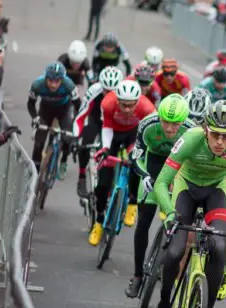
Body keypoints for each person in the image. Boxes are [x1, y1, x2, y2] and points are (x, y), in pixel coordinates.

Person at [152, 101, 226, 308]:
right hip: (185, 188)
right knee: (176, 251)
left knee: (219, 247)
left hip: (216, 191)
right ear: (205, 130)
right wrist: (169, 213)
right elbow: (161, 181)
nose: (219, 142)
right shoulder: (190, 139)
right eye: (215, 135)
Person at [124, 95, 195, 298]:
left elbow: (193, 164)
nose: (170, 129)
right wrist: (144, 175)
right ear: (159, 116)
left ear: (183, 121)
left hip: (177, 167)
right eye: (165, 122)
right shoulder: (147, 124)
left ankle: (169, 268)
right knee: (143, 222)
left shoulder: (191, 130)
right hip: (153, 163)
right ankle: (137, 276)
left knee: (178, 221)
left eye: (175, 124)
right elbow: (136, 155)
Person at [88, 80, 156, 246]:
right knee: (103, 182)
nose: (127, 109)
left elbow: (148, 134)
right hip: (113, 135)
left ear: (137, 102)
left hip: (134, 135)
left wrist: (140, 154)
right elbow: (107, 128)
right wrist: (105, 149)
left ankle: (132, 202)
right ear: (117, 100)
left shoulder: (147, 108)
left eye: (131, 106)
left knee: (135, 166)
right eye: (124, 105)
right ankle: (99, 221)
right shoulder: (108, 103)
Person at [73, 67, 123, 197]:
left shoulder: (124, 94)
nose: (109, 95)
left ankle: (108, 185)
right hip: (96, 119)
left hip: (113, 122)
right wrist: (75, 138)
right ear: (101, 86)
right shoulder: (94, 91)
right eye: (106, 90)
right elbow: (80, 117)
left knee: (110, 151)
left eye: (113, 91)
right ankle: (82, 176)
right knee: (86, 141)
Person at [28, 62, 80, 173]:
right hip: (46, 109)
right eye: (50, 81)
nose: (53, 85)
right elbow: (30, 104)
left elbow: (78, 107)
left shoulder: (69, 85)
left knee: (68, 138)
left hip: (64, 109)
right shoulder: (37, 85)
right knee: (38, 143)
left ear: (62, 80)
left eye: (57, 81)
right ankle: (34, 173)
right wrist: (35, 117)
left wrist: (75, 123)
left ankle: (63, 160)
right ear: (46, 78)